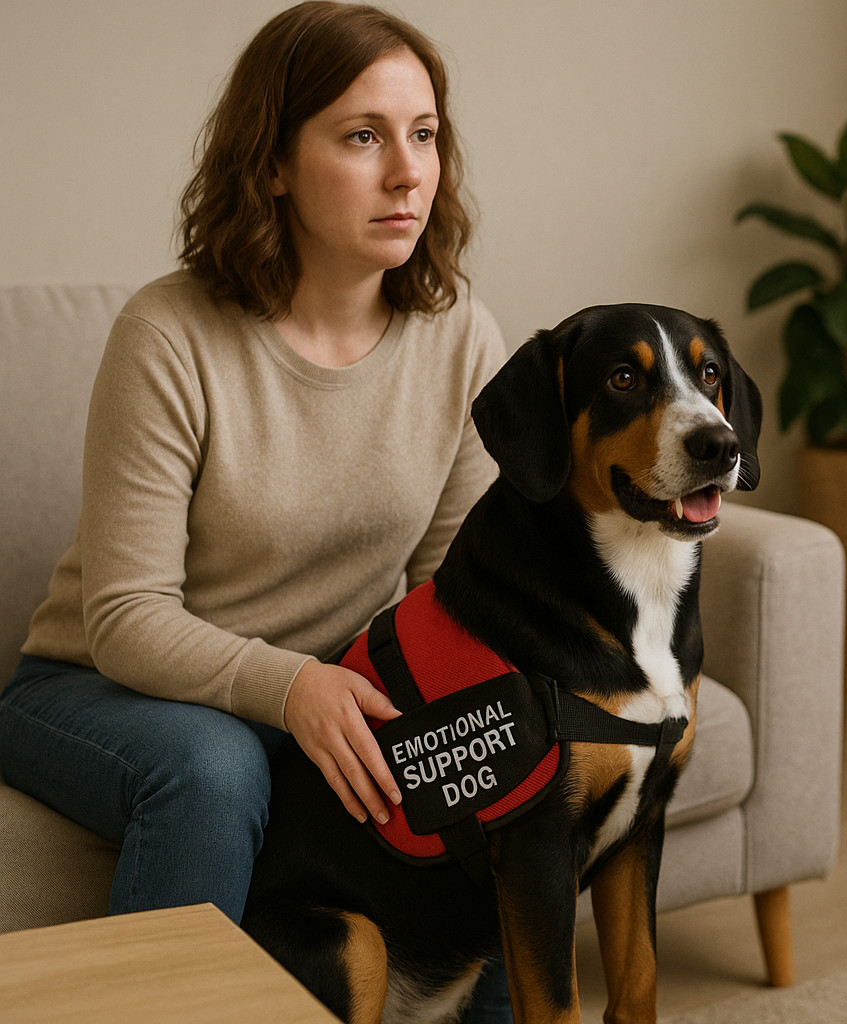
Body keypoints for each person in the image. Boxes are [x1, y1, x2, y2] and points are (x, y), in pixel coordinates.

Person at [0, 2, 514, 1018]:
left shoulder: (458, 333)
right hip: (97, 688)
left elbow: (451, 592)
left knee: (483, 747)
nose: (408, 172)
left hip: (330, 689)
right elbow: (125, 617)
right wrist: (294, 689)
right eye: (363, 136)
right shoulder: (168, 334)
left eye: (424, 136)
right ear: (272, 162)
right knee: (214, 765)